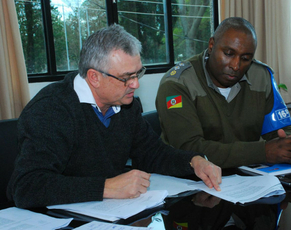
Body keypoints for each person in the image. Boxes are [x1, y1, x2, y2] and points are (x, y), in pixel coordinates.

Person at [7, 24, 221, 209]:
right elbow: (27, 185)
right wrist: (106, 187)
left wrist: (193, 161)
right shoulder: (51, 110)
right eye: (126, 78)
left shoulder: (126, 106)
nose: (135, 84)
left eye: (137, 73)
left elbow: (152, 153)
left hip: (110, 213)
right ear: (94, 77)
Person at [156, 17, 291, 169]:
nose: (236, 66)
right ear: (211, 45)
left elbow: (282, 129)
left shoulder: (261, 76)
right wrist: (263, 152)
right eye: (229, 54)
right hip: (189, 183)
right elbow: (189, 149)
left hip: (246, 179)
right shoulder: (177, 84)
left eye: (245, 59)